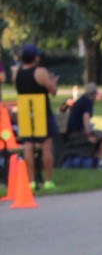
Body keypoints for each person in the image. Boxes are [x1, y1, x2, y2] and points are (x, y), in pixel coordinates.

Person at [15, 44, 59, 191]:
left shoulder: (18, 73)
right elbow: (53, 91)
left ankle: (31, 181)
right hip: (41, 111)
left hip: (25, 112)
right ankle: (48, 180)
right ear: (35, 57)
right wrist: (53, 82)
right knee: (46, 146)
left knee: (28, 146)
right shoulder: (40, 72)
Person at [63, 82, 102, 166]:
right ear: (94, 94)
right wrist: (89, 135)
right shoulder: (88, 102)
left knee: (99, 135)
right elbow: (85, 118)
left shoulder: (82, 100)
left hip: (72, 131)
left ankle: (97, 158)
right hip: (77, 132)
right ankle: (100, 161)